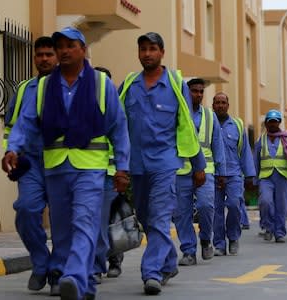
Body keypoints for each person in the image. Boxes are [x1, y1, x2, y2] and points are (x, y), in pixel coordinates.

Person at [2, 27, 130, 300]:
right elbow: (23, 123)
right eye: (60, 46)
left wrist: (122, 167)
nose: (64, 51)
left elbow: (118, 128)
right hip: (54, 166)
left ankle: (75, 276)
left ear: (83, 50)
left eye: (70, 45)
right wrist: (12, 149)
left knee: (84, 222)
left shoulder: (100, 83)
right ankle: (58, 271)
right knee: (60, 228)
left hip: (90, 168)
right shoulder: (43, 87)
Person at [118, 32, 206, 295]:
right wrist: (116, 165)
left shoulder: (176, 85)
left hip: (165, 163)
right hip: (136, 164)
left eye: (152, 49)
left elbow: (187, 126)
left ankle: (152, 272)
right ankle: (168, 261)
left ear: (162, 52)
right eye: (143, 49)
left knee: (158, 216)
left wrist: (197, 165)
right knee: (145, 216)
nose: (147, 53)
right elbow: (117, 125)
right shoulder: (129, 84)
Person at [2, 36, 57, 292]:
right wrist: (10, 152)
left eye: (49, 54)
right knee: (25, 210)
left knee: (62, 220)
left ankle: (59, 270)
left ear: (57, 57)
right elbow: (12, 127)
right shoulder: (24, 89)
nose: (44, 59)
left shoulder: (68, 86)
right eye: (40, 54)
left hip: (62, 163)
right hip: (31, 164)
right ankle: (40, 262)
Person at [173, 78, 226, 265]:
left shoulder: (210, 117)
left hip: (206, 169)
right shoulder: (177, 114)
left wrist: (222, 172)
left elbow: (217, 146)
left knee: (205, 206)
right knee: (182, 213)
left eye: (201, 92)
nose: (198, 95)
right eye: (194, 91)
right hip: (181, 169)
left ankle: (205, 238)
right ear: (187, 92)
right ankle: (188, 251)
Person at [212, 92, 255, 255]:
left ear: (228, 105)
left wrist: (250, 175)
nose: (220, 105)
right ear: (213, 105)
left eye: (223, 102)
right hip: (214, 174)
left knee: (234, 205)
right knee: (215, 210)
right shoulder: (209, 124)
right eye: (217, 102)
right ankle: (219, 244)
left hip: (234, 174)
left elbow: (244, 152)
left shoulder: (237, 125)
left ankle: (233, 238)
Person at [91, 66, 124, 282]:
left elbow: (123, 140)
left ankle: (114, 259)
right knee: (98, 220)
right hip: (94, 172)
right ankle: (97, 264)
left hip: (114, 174)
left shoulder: (118, 108)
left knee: (113, 220)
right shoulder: (86, 106)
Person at [254, 109, 287, 243]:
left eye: (275, 122)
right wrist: (253, 179)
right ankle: (268, 227)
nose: (273, 124)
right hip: (266, 177)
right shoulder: (261, 140)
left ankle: (279, 232)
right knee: (265, 202)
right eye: (270, 122)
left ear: (279, 122)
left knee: (282, 205)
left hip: (283, 177)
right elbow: (256, 160)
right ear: (266, 124)